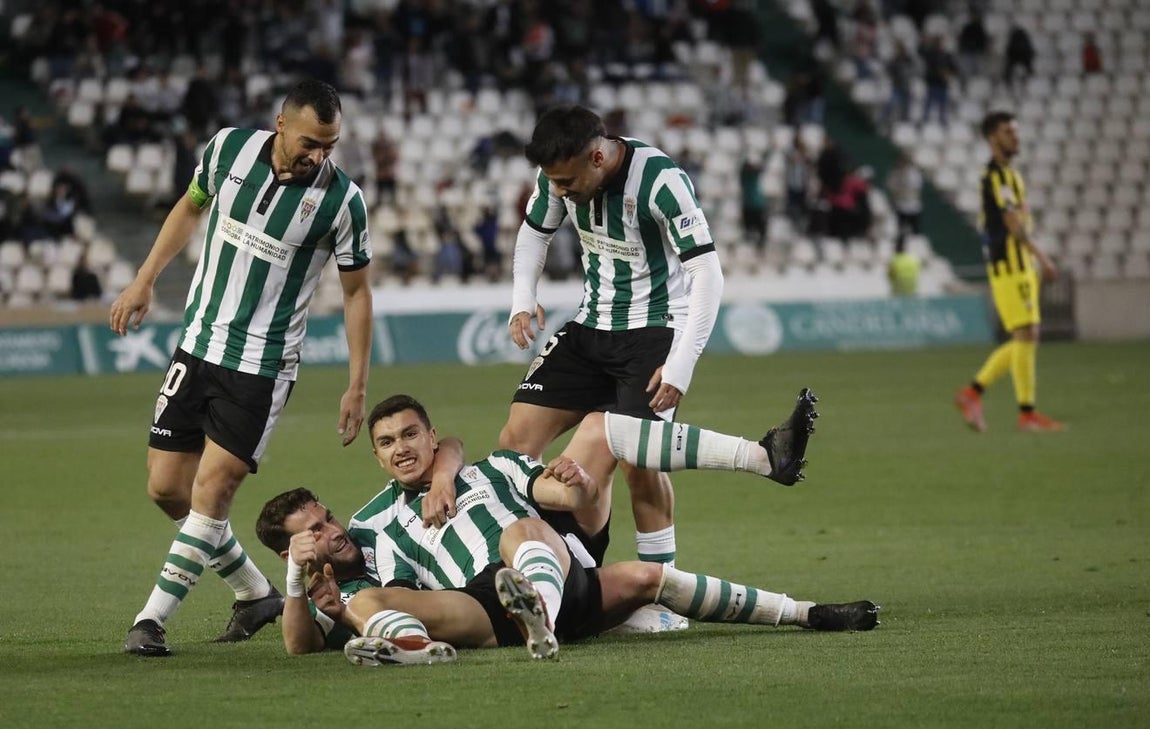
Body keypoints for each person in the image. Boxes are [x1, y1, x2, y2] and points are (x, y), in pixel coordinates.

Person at [254, 392, 877, 664]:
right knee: (643, 576)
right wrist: (332, 598)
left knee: (529, 534)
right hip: (478, 607)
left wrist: (570, 480)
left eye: (410, 435)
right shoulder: (370, 523)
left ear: (431, 435)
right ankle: (417, 654)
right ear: (377, 457)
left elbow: (551, 491)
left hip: (547, 567)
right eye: (387, 443)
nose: (400, 449)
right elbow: (345, 603)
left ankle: (806, 612)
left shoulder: (492, 469)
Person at [109, 79, 374, 656]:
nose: (318, 155)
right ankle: (255, 593)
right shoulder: (227, 148)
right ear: (280, 124)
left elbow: (357, 294)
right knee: (167, 490)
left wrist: (357, 383)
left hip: (261, 365)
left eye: (329, 145)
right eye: (309, 142)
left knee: (213, 489)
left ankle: (150, 621)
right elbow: (189, 206)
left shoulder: (342, 201)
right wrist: (145, 278)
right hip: (197, 344)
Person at [500, 105, 725, 633]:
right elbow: (534, 232)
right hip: (588, 328)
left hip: (652, 337)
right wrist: (521, 299)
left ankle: (664, 595)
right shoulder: (558, 175)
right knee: (515, 440)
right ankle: (558, 575)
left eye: (568, 181)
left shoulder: (661, 180)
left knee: (638, 464)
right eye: (552, 182)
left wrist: (680, 365)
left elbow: (707, 274)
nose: (560, 192)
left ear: (598, 155)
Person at [954, 111, 1062, 433]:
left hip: (1019, 265)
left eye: (1015, 130)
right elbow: (1013, 225)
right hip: (1009, 265)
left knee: (1027, 335)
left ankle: (975, 394)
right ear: (992, 138)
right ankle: (1023, 412)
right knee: (1025, 335)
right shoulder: (995, 177)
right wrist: (1044, 258)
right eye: (1007, 132)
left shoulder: (1010, 175)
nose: (1015, 136)